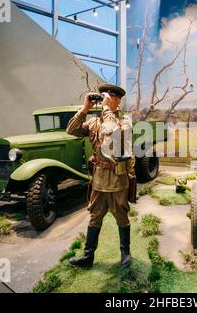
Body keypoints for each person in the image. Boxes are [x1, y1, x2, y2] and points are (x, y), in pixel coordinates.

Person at [65, 84, 134, 268]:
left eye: (110, 97)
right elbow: (71, 130)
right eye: (104, 97)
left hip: (117, 179)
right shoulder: (95, 122)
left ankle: (125, 254)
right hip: (98, 180)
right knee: (95, 216)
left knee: (121, 216)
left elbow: (113, 132)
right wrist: (85, 108)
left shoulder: (125, 121)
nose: (105, 100)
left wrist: (105, 109)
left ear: (118, 101)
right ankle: (88, 257)